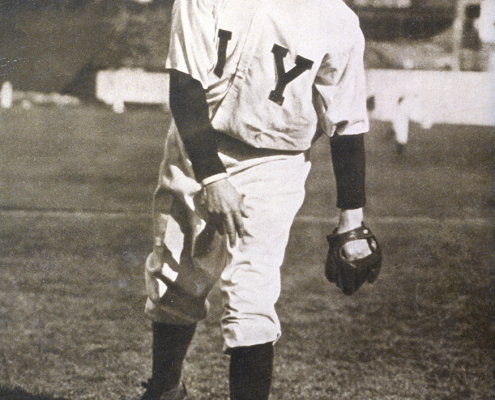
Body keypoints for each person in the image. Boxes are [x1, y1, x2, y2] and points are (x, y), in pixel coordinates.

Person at [141, 0, 373, 399]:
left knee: (251, 296)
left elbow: (347, 122)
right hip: (198, 144)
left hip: (276, 163)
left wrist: (352, 218)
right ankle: (165, 389)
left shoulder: (337, 19)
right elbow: (184, 85)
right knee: (174, 283)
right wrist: (213, 176)